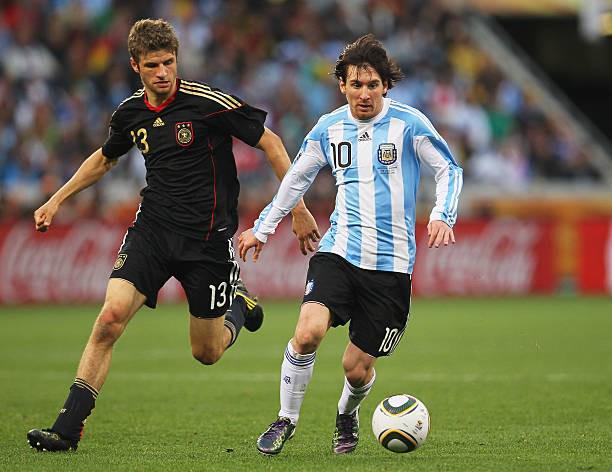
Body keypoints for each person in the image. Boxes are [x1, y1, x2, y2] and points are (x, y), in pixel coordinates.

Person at [27, 18, 319, 452]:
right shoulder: (130, 113)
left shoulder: (208, 103)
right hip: (153, 231)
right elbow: (105, 158)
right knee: (109, 319)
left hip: (207, 241)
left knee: (207, 352)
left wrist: (298, 208)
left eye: (168, 62)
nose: (163, 72)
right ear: (135, 65)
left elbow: (271, 143)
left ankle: (238, 307)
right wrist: (57, 199)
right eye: (152, 65)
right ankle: (67, 429)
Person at [238, 34, 463, 455]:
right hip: (339, 250)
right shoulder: (329, 127)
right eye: (356, 84)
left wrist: (441, 215)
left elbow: (449, 169)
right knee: (308, 333)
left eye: (372, 85)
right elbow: (296, 179)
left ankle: (347, 412)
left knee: (355, 369)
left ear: (386, 86)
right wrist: (262, 228)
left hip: (391, 267)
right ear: (342, 85)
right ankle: (286, 419)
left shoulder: (409, 124)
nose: (364, 94)